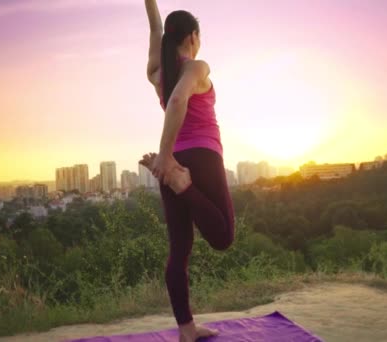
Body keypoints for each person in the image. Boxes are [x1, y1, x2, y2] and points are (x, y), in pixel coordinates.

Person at [139, 1, 235, 341]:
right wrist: (165, 159)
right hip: (202, 156)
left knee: (179, 249)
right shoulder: (196, 67)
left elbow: (154, 29)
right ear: (193, 36)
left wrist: (167, 158)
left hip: (176, 157)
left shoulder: (157, 73)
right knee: (223, 237)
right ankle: (184, 186)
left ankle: (186, 329)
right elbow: (179, 100)